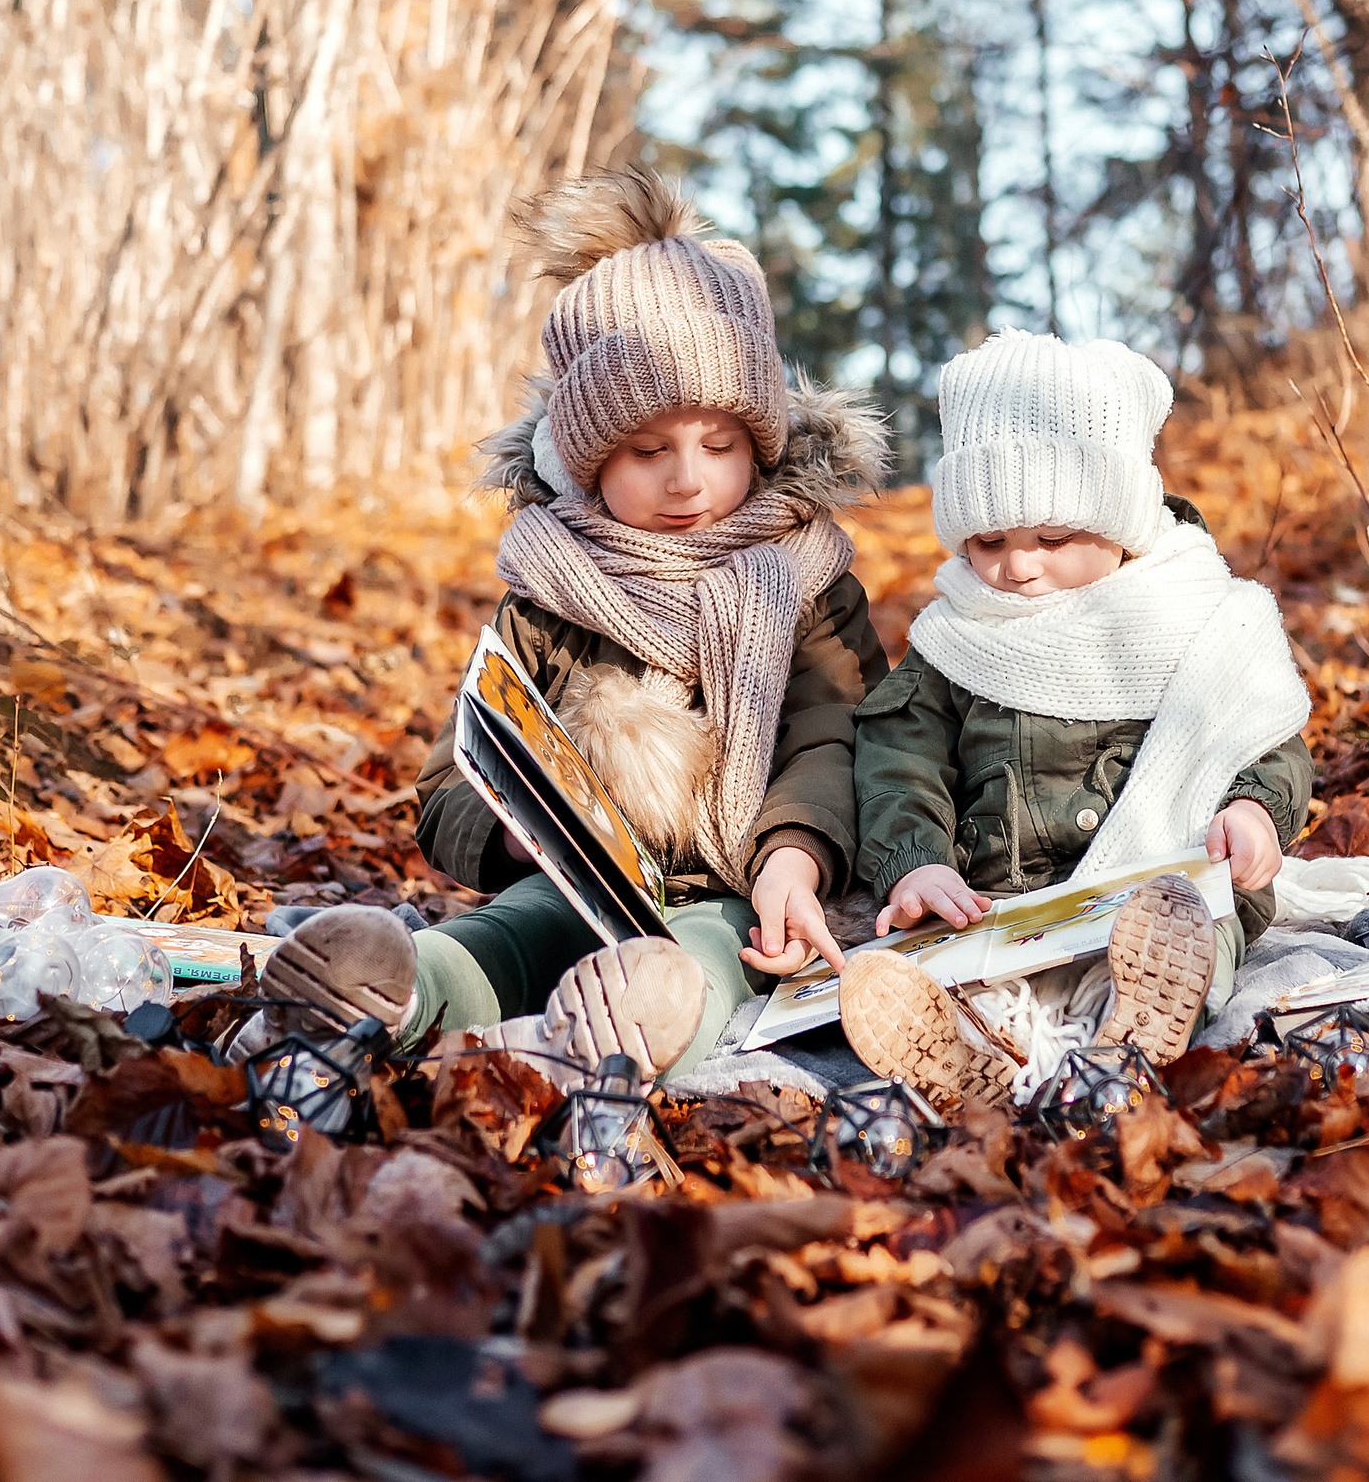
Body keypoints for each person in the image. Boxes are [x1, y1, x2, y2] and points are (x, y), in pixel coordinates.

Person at [240, 168, 888, 1081]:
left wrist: (797, 855)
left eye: (720, 445)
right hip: (584, 881)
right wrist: (515, 825)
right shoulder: (553, 585)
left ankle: (649, 1019)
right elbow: (457, 767)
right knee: (510, 935)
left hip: (747, 888)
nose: (687, 481)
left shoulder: (805, 580)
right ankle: (398, 985)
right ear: (588, 459)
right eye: (647, 450)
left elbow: (834, 735)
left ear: (762, 441)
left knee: (702, 957)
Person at [839, 330, 1314, 1109]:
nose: (1018, 566)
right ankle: (973, 1053)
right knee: (954, 968)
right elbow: (899, 758)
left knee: (1190, 931)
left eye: (1053, 538)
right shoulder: (959, 634)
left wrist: (1257, 810)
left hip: (1164, 883)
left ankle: (1133, 1032)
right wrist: (917, 860)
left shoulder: (1193, 610)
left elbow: (1261, 732)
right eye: (989, 541)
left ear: (1119, 521)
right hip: (1002, 904)